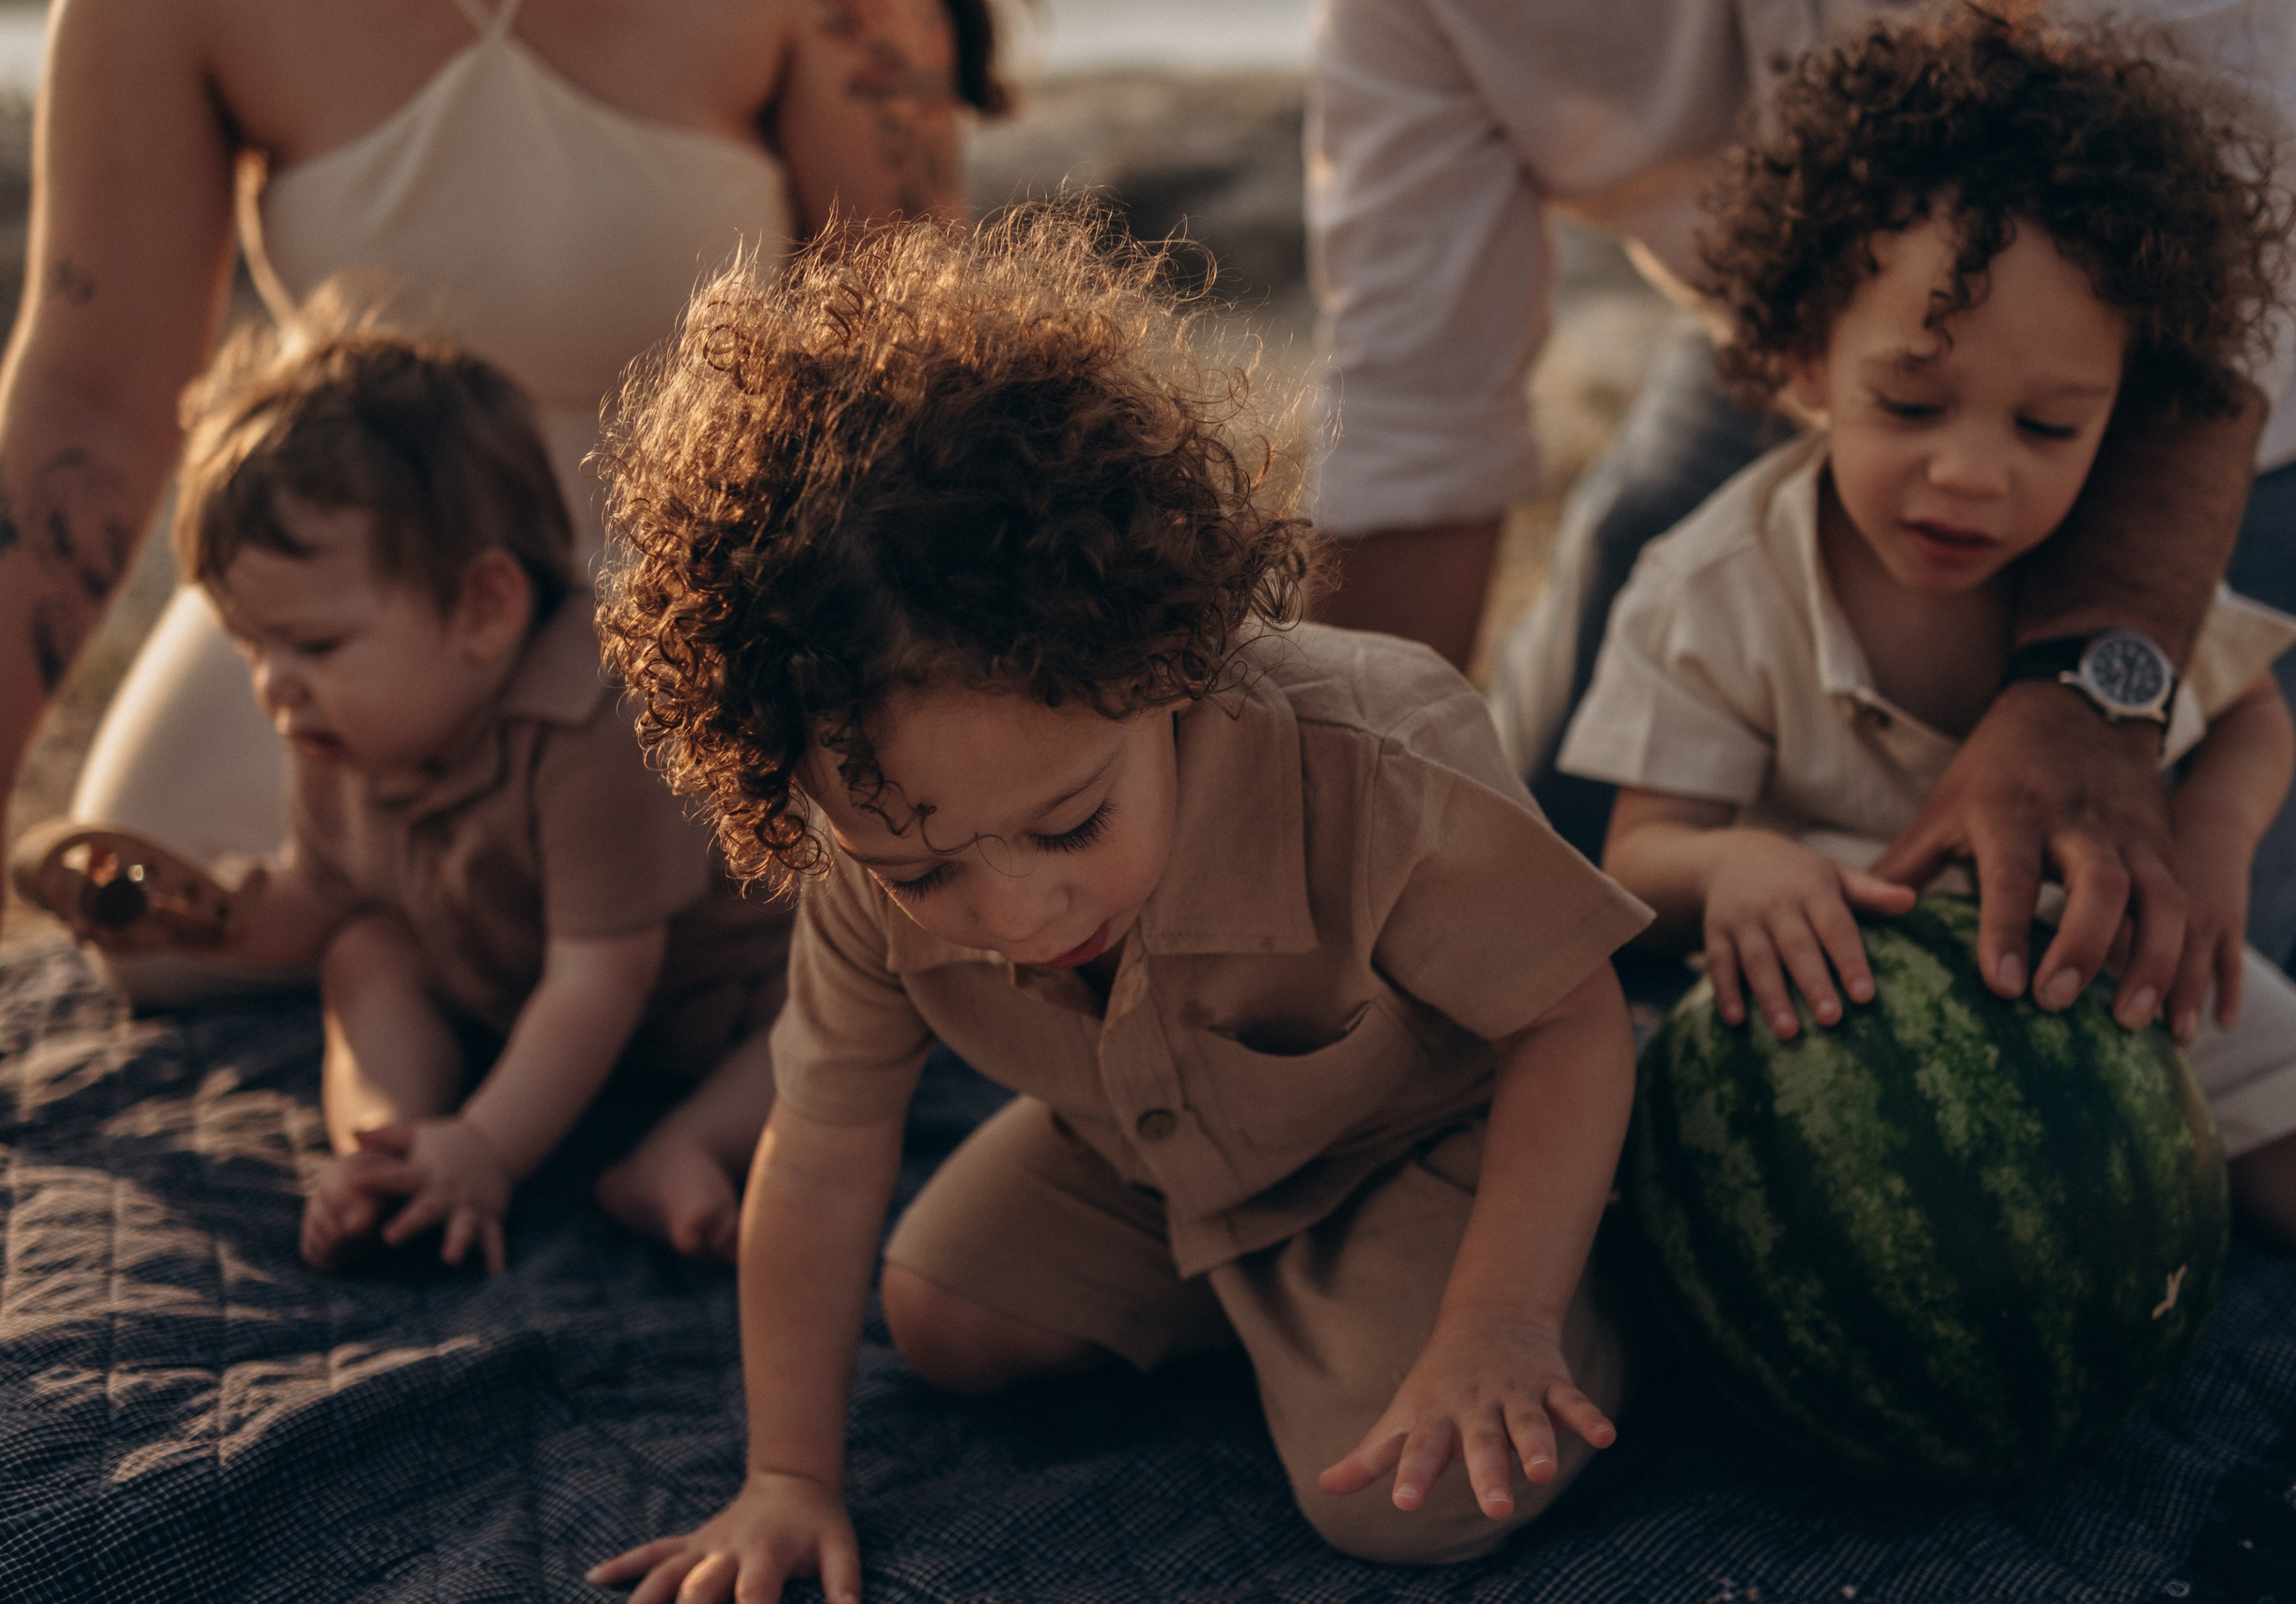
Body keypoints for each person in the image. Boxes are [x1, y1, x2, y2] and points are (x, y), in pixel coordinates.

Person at [584, 210, 1654, 1603]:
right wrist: (789, 1473)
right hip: (1147, 1161)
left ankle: (1585, 1285)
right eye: (926, 872)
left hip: (1424, 1143)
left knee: (1421, 1506)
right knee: (941, 1314)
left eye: (1070, 822)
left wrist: (1498, 1322)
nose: (1019, 910)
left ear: (1173, 657)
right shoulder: (867, 842)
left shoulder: (1381, 761)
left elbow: (1575, 1025)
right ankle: (1288, 1311)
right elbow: (827, 1144)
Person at [1306, 0, 2296, 1021]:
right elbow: (1412, 421)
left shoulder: (2164, 358)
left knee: (2188, 975)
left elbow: (2214, 166)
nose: (1971, 477)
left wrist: (2096, 699)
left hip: (2211, 417)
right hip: (1807, 344)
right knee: (1529, 887)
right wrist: (1325, 847)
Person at [1583, 10, 2296, 1268]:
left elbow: (2246, 709)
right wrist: (1737, 866)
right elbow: (1641, 853)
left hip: (2119, 974)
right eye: (1912, 403)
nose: (1972, 475)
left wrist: (2216, 836)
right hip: (1847, 1020)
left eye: (2049, 426)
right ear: (1804, 359)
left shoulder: (2086, 574)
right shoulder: (1716, 584)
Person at [0, 0, 999, 989]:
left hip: (707, 571)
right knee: (159, 933)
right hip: (358, 582)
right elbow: (88, 406)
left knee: (867, 901)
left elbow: (915, 376)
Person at [22, 319, 797, 1270]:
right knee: (363, 949)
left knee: (822, 1023)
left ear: (484, 607)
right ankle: (388, 1145)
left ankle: (686, 1146)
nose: (274, 683)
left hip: (701, 1000)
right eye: (252, 645)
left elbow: (600, 984)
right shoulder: (342, 728)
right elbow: (326, 898)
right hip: (513, 981)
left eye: (313, 645)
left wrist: (490, 1150)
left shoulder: (598, 727)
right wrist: (198, 919)